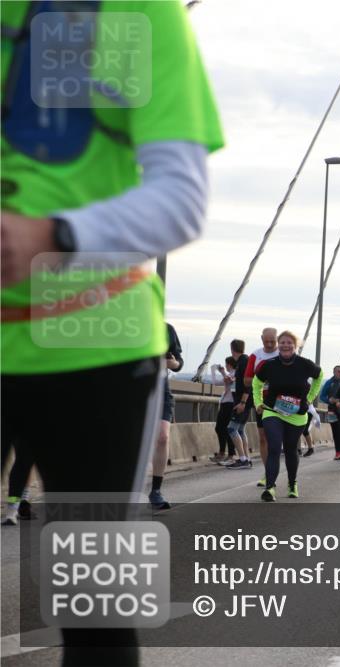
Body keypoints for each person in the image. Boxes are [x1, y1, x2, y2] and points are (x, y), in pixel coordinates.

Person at [0, 1, 223, 662]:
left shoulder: (141, 12)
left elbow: (181, 199)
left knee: (94, 610)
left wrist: (56, 236)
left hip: (93, 350)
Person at [252, 331, 322, 501]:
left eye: (289, 342)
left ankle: (292, 484)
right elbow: (256, 382)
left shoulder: (305, 364)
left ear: (295, 345)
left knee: (291, 450)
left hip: (296, 414)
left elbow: (319, 376)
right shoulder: (269, 365)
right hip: (272, 410)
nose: (285, 345)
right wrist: (258, 402)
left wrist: (309, 398)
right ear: (278, 344)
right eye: (282, 342)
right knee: (274, 447)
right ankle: (270, 488)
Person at [149, 322, 184, 510]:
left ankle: (156, 491)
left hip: (161, 389)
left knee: (163, 437)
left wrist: (173, 363)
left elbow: (178, 362)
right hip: (131, 389)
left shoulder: (166, 329)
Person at [240, 328, 279, 486]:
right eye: (266, 341)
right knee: (264, 438)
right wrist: (263, 378)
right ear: (261, 338)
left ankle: (287, 476)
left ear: (277, 339)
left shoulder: (283, 353)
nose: (269, 344)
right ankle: (268, 473)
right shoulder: (255, 355)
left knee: (277, 439)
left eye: (272, 341)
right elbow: (246, 381)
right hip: (262, 401)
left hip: (281, 401)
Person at [225, 339, 253, 469]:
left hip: (243, 401)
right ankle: (246, 458)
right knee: (240, 429)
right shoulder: (244, 361)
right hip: (245, 401)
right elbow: (243, 381)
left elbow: (248, 384)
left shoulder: (243, 362)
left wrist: (242, 402)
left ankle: (242, 459)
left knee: (231, 429)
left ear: (232, 349)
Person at [209, 357, 237, 464]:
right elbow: (216, 382)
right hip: (225, 403)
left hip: (231, 404)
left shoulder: (235, 374)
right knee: (220, 428)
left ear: (229, 364)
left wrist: (222, 372)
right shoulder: (230, 374)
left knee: (228, 429)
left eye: (226, 364)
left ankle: (230, 454)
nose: (225, 366)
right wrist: (213, 370)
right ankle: (222, 453)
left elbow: (229, 381)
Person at [319, 365, 340, 460]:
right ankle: (338, 453)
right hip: (332, 410)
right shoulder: (329, 382)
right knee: (336, 431)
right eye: (338, 371)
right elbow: (322, 396)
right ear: (334, 372)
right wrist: (329, 400)